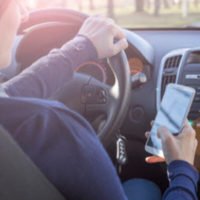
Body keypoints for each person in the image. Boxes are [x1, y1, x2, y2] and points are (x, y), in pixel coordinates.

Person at [0, 0, 198, 199]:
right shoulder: (53, 126)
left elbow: (7, 96)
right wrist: (182, 168)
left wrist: (81, 47)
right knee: (143, 186)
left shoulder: (13, 118)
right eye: (15, 2)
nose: (25, 13)